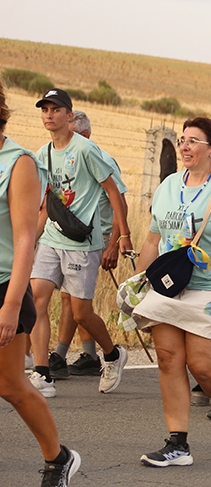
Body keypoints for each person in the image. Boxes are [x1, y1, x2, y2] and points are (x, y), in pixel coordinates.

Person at [132, 117, 211, 465]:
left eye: (193, 141)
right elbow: (153, 240)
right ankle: (178, 444)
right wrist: (140, 283)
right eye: (183, 140)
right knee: (169, 359)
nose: (184, 146)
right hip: (169, 288)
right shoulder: (169, 185)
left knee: (203, 365)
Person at [0, 82, 81, 486]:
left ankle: (58, 457)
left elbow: (25, 237)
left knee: (11, 385)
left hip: (4, 286)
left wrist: (13, 303)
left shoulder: (18, 163)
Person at [30, 89, 132, 397]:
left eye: (56, 109)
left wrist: (122, 236)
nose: (49, 114)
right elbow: (47, 205)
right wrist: (27, 241)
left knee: (81, 314)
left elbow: (114, 193)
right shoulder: (42, 154)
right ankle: (42, 373)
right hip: (52, 237)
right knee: (37, 300)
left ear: (69, 116)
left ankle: (113, 355)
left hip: (82, 244)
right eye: (45, 109)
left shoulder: (86, 150)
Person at [50, 110, 129, 379]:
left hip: (97, 237)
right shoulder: (61, 154)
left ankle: (83, 355)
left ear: (84, 134)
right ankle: (80, 355)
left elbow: (121, 203)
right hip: (71, 235)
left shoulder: (101, 158)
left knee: (77, 301)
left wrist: (114, 243)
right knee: (68, 297)